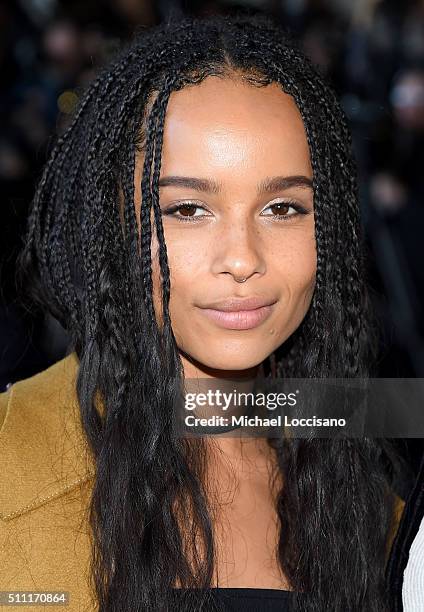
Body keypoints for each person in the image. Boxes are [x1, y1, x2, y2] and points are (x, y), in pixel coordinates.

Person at [0, 13, 405, 612]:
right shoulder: (14, 469)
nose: (243, 258)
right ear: (113, 227)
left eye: (284, 208)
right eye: (188, 209)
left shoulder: (378, 492)